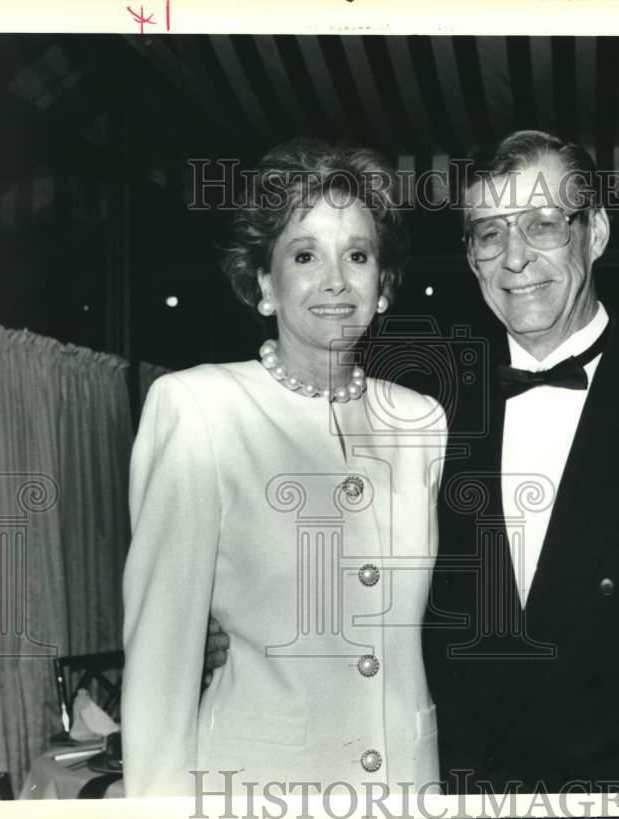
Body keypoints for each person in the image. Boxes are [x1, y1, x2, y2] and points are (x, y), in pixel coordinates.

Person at [205, 130, 619, 793]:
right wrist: (232, 632)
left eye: (541, 224)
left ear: (593, 233)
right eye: (488, 233)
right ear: (471, 257)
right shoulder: (424, 419)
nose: (515, 258)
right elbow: (362, 593)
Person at [122, 138, 446, 797]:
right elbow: (160, 667)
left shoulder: (423, 423)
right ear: (265, 283)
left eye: (357, 255)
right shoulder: (198, 408)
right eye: (305, 255)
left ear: (383, 286)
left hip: (405, 787)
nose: (334, 279)